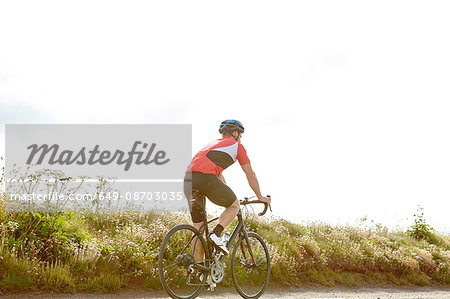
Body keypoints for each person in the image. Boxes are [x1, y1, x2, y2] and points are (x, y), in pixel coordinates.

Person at [184, 120, 271, 264]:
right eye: (241, 135)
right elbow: (250, 174)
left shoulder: (212, 145)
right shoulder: (237, 146)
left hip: (189, 180)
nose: (241, 139)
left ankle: (199, 271)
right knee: (234, 206)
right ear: (235, 133)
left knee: (198, 229)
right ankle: (216, 234)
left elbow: (217, 175)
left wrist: (226, 191)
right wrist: (260, 197)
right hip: (206, 179)